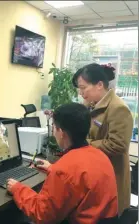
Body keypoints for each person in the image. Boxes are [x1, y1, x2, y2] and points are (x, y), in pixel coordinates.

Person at [7, 103, 119, 224]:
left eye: (54, 127)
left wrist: (17, 189)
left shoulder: (65, 169)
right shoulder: (100, 156)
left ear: (61, 132)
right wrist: (52, 168)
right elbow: (80, 178)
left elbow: (42, 214)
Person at [72, 63, 133, 215]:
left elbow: (117, 145)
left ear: (99, 85)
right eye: (79, 88)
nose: (80, 92)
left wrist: (84, 145)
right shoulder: (91, 104)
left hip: (111, 179)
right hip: (94, 174)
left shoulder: (118, 108)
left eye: (83, 87)